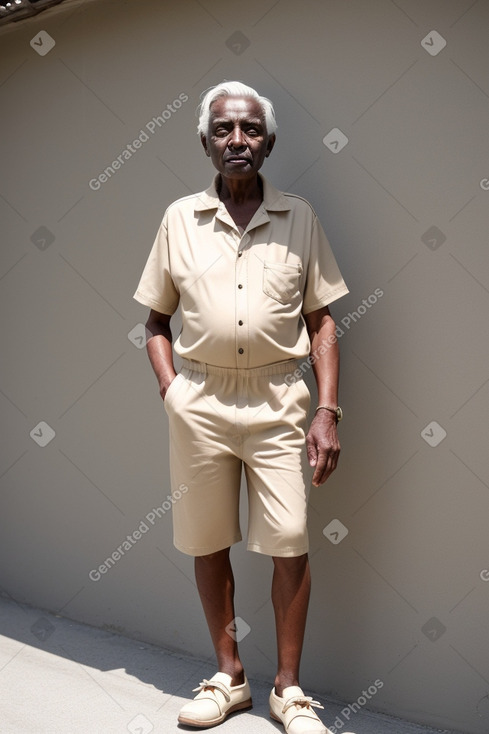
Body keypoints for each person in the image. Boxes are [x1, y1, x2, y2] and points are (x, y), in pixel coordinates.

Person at [134, 81, 353, 734]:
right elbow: (153, 322)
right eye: (225, 130)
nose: (238, 141)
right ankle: (228, 677)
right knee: (207, 539)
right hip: (198, 401)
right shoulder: (179, 219)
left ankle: (288, 689)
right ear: (206, 142)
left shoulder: (299, 217)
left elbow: (322, 321)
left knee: (288, 541)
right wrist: (173, 392)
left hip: (276, 400)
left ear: (269, 142)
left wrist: (327, 411)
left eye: (250, 130)